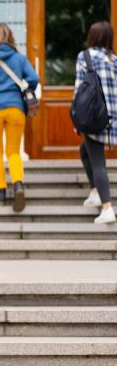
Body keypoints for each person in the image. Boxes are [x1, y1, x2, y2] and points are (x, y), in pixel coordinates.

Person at [0, 23, 39, 212]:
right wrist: (25, 93)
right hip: (15, 108)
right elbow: (34, 79)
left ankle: (0, 192)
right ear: (11, 39)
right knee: (13, 151)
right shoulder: (19, 58)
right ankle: (18, 185)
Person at [76, 21, 116, 224]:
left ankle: (107, 206)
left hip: (93, 116)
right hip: (112, 118)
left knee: (98, 162)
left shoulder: (85, 57)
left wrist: (77, 119)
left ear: (92, 37)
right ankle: (94, 191)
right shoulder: (114, 60)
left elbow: (79, 91)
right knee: (85, 151)